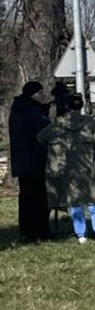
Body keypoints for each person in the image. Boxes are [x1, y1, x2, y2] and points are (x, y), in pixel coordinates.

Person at [37, 94, 95, 244]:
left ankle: (81, 235)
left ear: (67, 106)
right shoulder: (91, 123)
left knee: (75, 203)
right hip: (88, 169)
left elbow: (40, 137)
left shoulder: (57, 126)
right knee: (94, 201)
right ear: (81, 106)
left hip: (66, 171)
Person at [8, 81, 52, 241]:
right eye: (40, 93)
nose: (42, 96)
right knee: (39, 198)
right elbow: (47, 131)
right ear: (32, 94)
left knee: (26, 197)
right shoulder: (32, 111)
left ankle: (26, 231)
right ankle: (40, 231)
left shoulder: (17, 109)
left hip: (21, 162)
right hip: (35, 161)